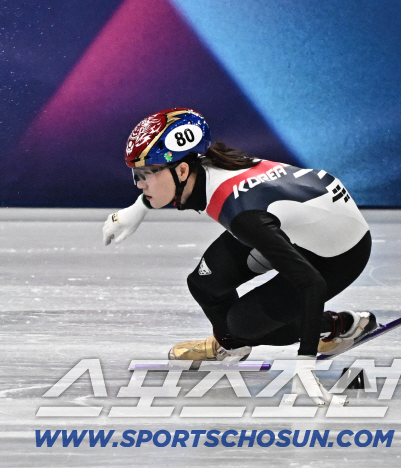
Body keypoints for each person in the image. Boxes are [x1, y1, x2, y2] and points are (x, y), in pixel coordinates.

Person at [102, 108, 377, 381]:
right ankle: (230, 344)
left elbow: (311, 283)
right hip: (293, 223)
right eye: (135, 175)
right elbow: (167, 183)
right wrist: (137, 209)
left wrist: (305, 364)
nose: (139, 185)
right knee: (203, 282)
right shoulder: (206, 166)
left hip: (339, 251)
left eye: (144, 174)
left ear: (183, 169)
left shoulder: (242, 214)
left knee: (245, 324)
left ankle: (339, 326)